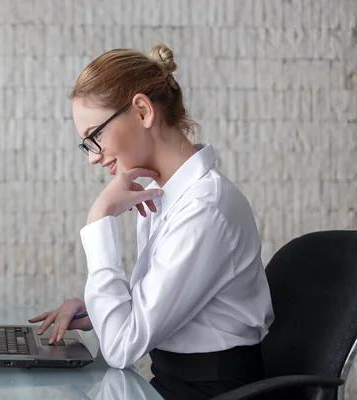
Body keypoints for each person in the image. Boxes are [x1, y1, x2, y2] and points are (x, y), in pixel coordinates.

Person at [29, 43, 274, 399]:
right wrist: (97, 311)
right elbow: (155, 306)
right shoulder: (164, 194)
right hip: (172, 385)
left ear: (143, 110)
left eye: (94, 137)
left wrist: (99, 221)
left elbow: (122, 348)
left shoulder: (204, 208)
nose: (93, 158)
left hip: (213, 392)